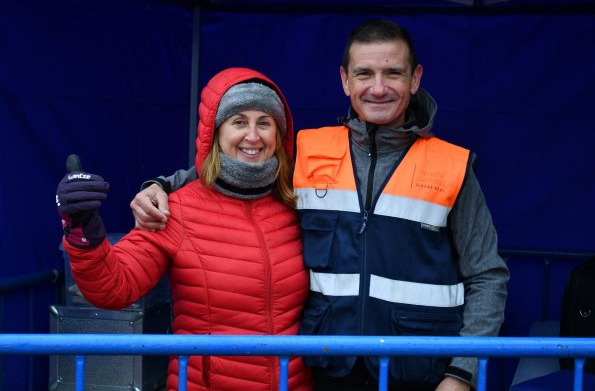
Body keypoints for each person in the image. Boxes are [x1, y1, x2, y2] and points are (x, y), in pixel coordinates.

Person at [130, 20, 510, 391]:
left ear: (415, 79)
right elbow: (240, 162)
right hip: (330, 371)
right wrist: (162, 184)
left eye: (392, 73)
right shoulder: (309, 151)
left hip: (423, 375)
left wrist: (462, 373)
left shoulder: (453, 166)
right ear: (345, 80)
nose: (378, 88)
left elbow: (487, 276)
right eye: (364, 74)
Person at [55, 67, 313, 391]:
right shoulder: (177, 208)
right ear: (215, 133)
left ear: (280, 133)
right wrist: (81, 227)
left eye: (264, 122)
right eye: (238, 122)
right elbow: (114, 287)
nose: (253, 135)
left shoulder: (300, 205)